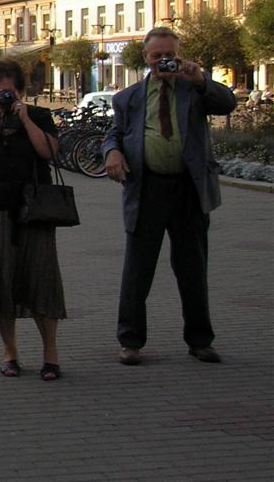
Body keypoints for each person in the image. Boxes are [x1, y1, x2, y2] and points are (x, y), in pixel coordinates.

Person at [102, 26, 237, 366]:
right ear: (145, 58)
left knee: (193, 268)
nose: (163, 60)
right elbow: (115, 133)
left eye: (169, 54)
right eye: (156, 55)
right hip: (147, 189)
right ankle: (130, 342)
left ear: (179, 55)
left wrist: (200, 79)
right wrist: (112, 152)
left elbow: (227, 104)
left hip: (188, 190)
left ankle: (200, 340)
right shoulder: (128, 97)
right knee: (137, 270)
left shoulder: (193, 89)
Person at [0, 58, 65, 381]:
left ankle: (50, 355)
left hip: (34, 209)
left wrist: (25, 118)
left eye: (8, 91)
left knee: (41, 278)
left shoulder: (39, 116)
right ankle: (10, 352)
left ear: (20, 91)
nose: (2, 96)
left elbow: (49, 152)